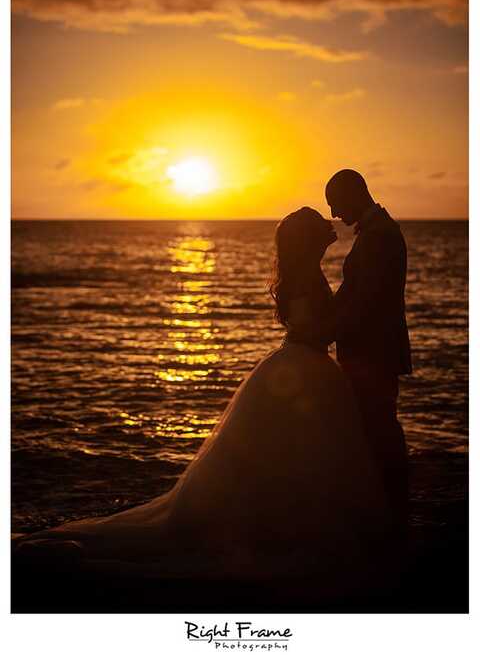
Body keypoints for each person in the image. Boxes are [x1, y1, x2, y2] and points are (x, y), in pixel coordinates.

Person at [14, 207, 392, 594]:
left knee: (292, 454)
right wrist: (350, 313)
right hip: (306, 367)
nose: (329, 228)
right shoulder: (305, 277)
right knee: (296, 452)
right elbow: (314, 327)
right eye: (319, 227)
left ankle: (289, 518)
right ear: (307, 239)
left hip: (305, 364)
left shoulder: (304, 272)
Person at [325, 169, 412, 543]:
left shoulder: (380, 236)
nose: (333, 213)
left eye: (335, 203)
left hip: (372, 351)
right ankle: (385, 509)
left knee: (380, 428)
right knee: (374, 428)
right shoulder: (377, 231)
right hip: (368, 349)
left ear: (353, 193)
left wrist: (327, 327)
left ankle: (392, 514)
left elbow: (367, 300)